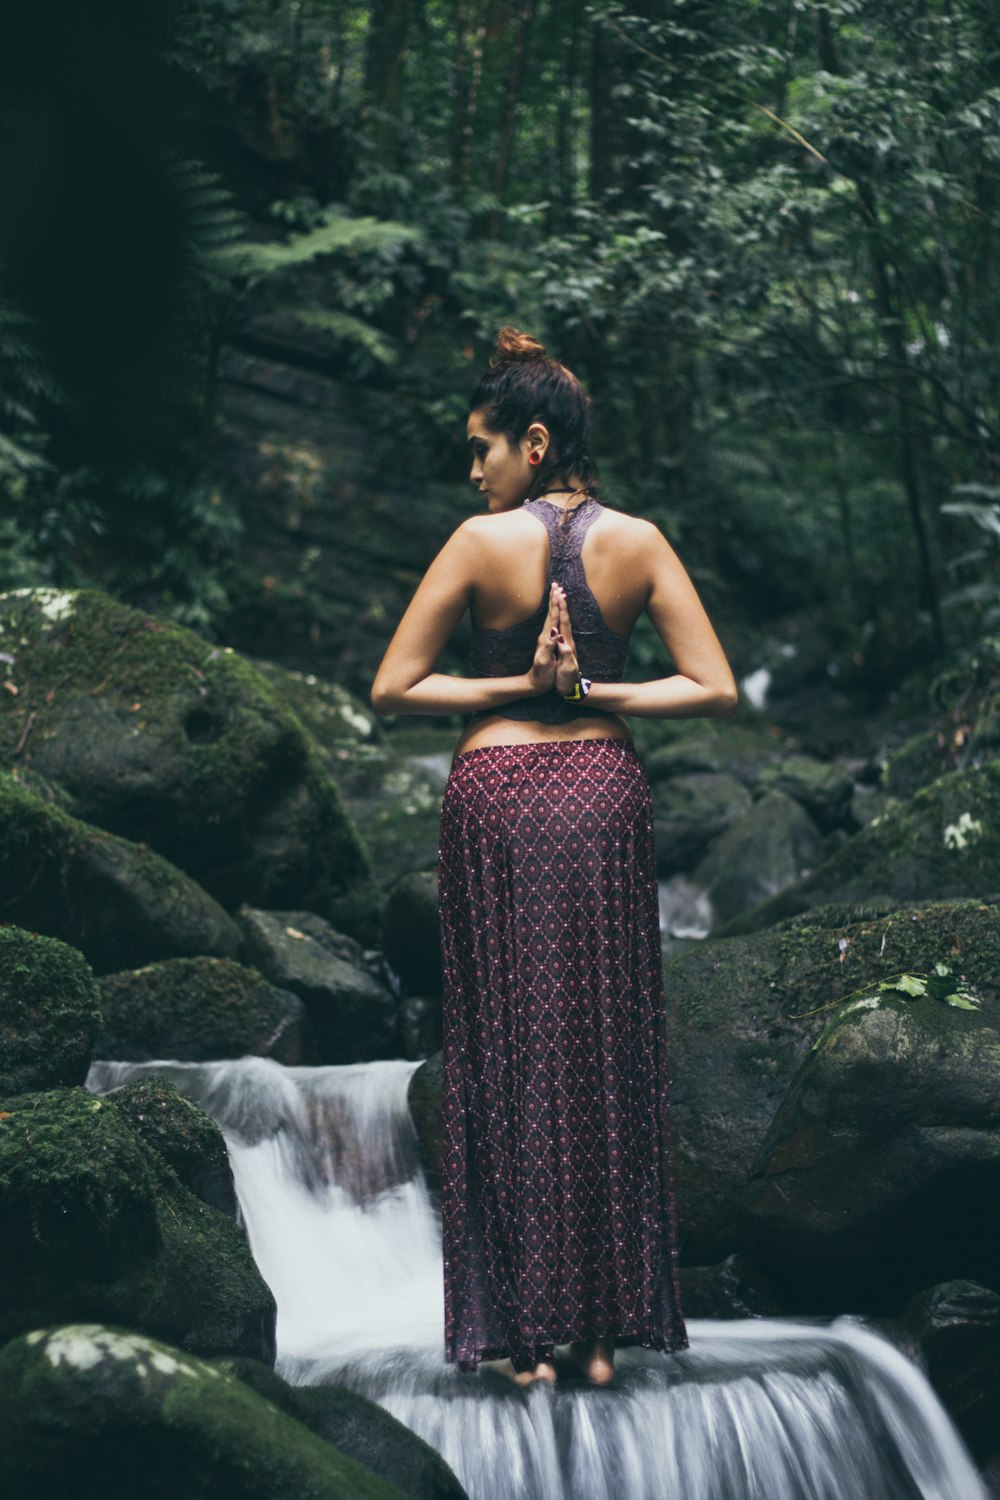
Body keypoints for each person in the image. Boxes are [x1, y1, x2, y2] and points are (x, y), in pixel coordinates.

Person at [371, 327, 737, 1388]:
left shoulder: (477, 544)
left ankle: (519, 1337)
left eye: (480, 448)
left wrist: (511, 687)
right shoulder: (640, 542)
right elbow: (710, 685)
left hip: (497, 798)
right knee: (605, 1050)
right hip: (601, 798)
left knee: (509, 1055)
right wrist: (595, 693)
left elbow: (395, 687)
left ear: (533, 445)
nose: (471, 469)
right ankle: (600, 1338)